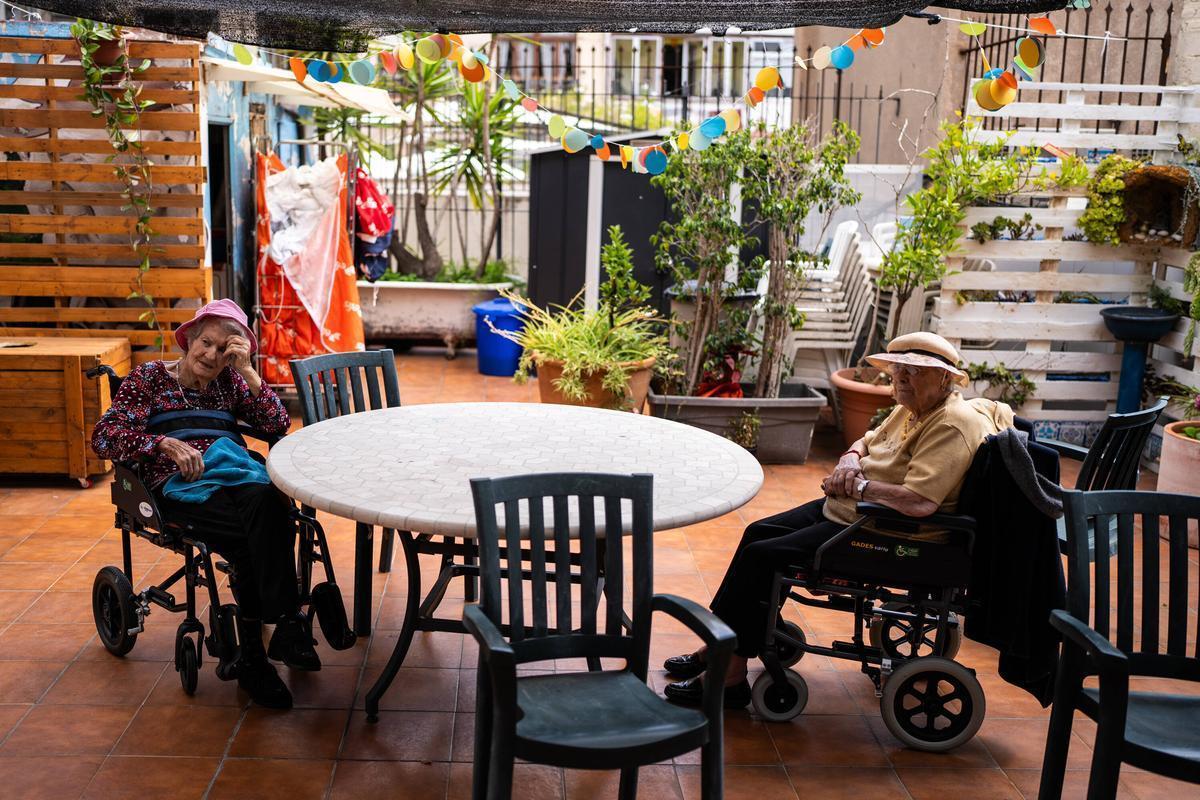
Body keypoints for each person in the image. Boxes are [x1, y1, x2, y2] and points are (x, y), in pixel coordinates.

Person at [662, 332, 1014, 708]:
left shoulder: (950, 424)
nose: (902, 378)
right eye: (899, 370)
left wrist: (859, 488)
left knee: (763, 556)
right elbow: (868, 439)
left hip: (887, 530)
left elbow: (919, 502)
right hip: (851, 511)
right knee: (757, 533)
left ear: (945, 378)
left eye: (915, 372)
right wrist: (849, 458)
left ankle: (729, 674)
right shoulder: (913, 407)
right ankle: (722, 642)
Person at [91, 299, 317, 709]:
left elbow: (276, 424)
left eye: (224, 349)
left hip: (235, 478)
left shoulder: (231, 382)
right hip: (180, 486)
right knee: (262, 530)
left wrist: (247, 371)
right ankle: (281, 630)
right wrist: (160, 442)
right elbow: (105, 437)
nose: (212, 356)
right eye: (206, 344)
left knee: (269, 499)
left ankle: (258, 652)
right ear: (189, 340)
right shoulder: (149, 378)